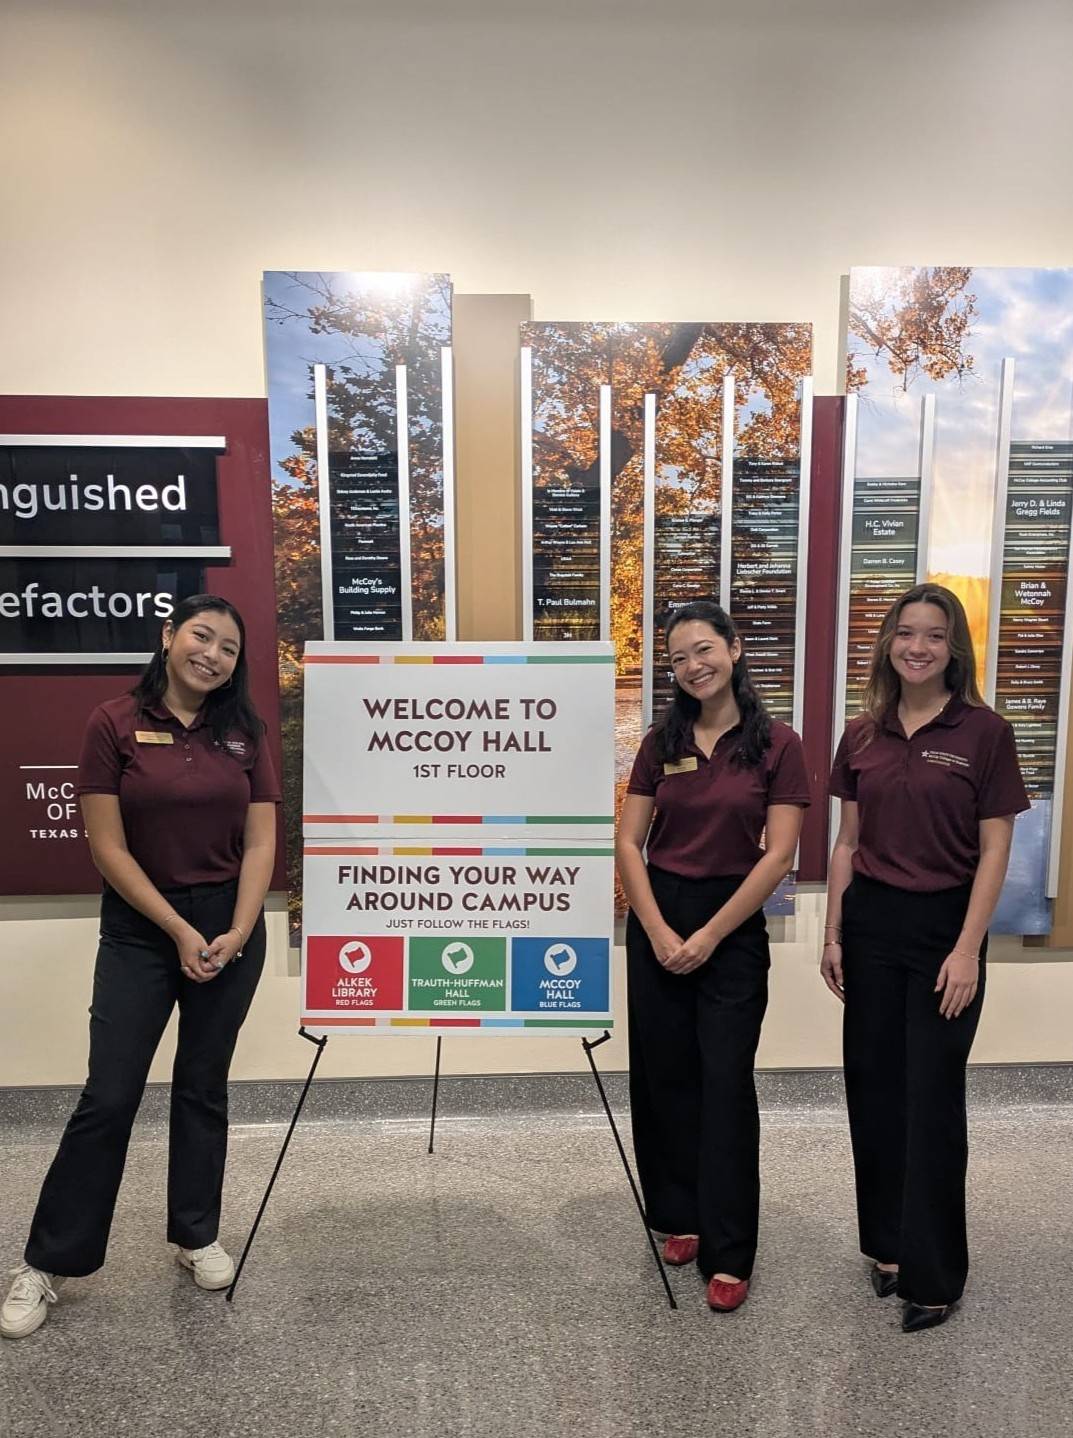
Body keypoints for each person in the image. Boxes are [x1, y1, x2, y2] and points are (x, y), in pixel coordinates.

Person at [1, 595, 280, 1340]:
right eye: (200, 636)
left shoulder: (244, 734)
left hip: (230, 927)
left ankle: (195, 1234)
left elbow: (260, 844)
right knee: (110, 1095)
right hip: (140, 931)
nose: (212, 654)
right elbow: (107, 848)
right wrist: (180, 929)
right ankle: (46, 1262)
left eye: (227, 646)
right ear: (168, 636)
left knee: (202, 1088)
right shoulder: (113, 721)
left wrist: (239, 928)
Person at [822, 583, 1028, 1333]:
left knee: (930, 1099)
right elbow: (847, 843)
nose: (916, 646)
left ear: (953, 648)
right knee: (871, 1090)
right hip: (871, 925)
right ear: (886, 643)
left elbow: (995, 848)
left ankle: (934, 1273)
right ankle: (885, 1247)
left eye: (932, 635)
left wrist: (968, 949)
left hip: (946, 928)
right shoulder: (863, 734)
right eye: (904, 633)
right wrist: (832, 934)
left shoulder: (984, 730)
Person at [616, 600, 811, 1312]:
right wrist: (661, 930)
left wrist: (708, 936)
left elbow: (779, 852)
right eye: (676, 658)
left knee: (724, 1083)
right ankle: (680, 1215)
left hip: (731, 925)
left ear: (732, 648)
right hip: (658, 916)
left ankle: (730, 1250)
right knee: (664, 1076)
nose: (692, 666)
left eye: (703, 650)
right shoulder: (659, 741)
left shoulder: (776, 744)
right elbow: (628, 844)